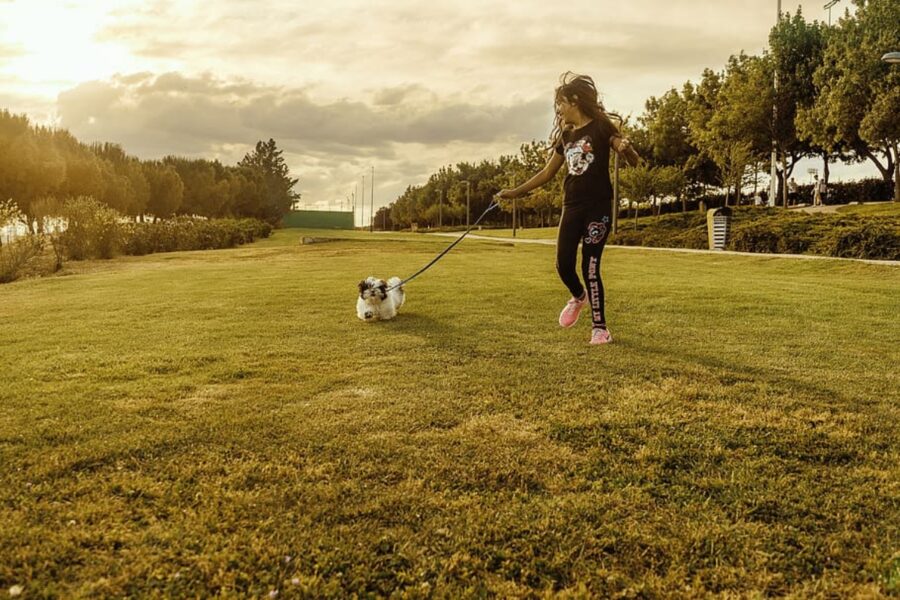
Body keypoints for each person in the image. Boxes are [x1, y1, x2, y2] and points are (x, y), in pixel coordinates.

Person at [496, 72, 638, 345]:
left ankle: (600, 328)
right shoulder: (567, 136)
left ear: (574, 101)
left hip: (598, 207)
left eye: (560, 103)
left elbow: (628, 154)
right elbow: (547, 173)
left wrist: (625, 148)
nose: (558, 109)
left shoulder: (601, 127)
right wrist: (515, 193)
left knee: (591, 267)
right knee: (563, 264)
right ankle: (578, 296)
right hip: (571, 206)